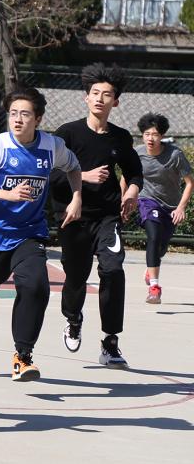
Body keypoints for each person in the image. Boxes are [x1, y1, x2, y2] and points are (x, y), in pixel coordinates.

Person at [0, 87, 83, 381]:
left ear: (37, 119)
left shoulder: (51, 146)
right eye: (13, 113)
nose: (17, 119)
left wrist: (77, 197)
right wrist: (7, 195)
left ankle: (23, 357)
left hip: (29, 233)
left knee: (36, 286)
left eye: (25, 114)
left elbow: (74, 167)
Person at [50, 63, 143, 369]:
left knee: (113, 270)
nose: (100, 98)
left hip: (107, 217)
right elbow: (50, 176)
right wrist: (84, 176)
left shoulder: (120, 137)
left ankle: (110, 342)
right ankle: (73, 319)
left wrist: (131, 192)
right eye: (95, 93)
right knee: (76, 276)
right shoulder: (67, 134)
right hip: (73, 216)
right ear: (86, 98)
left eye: (107, 94)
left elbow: (134, 172)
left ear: (116, 101)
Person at [132, 113, 193, 304]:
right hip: (147, 200)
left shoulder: (175, 155)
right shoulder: (137, 153)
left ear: (162, 136)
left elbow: (190, 182)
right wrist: (125, 198)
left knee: (161, 246)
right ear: (142, 135)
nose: (150, 138)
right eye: (147, 134)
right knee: (153, 236)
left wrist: (181, 207)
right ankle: (154, 287)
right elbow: (127, 177)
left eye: (155, 134)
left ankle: (151, 269)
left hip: (171, 206)